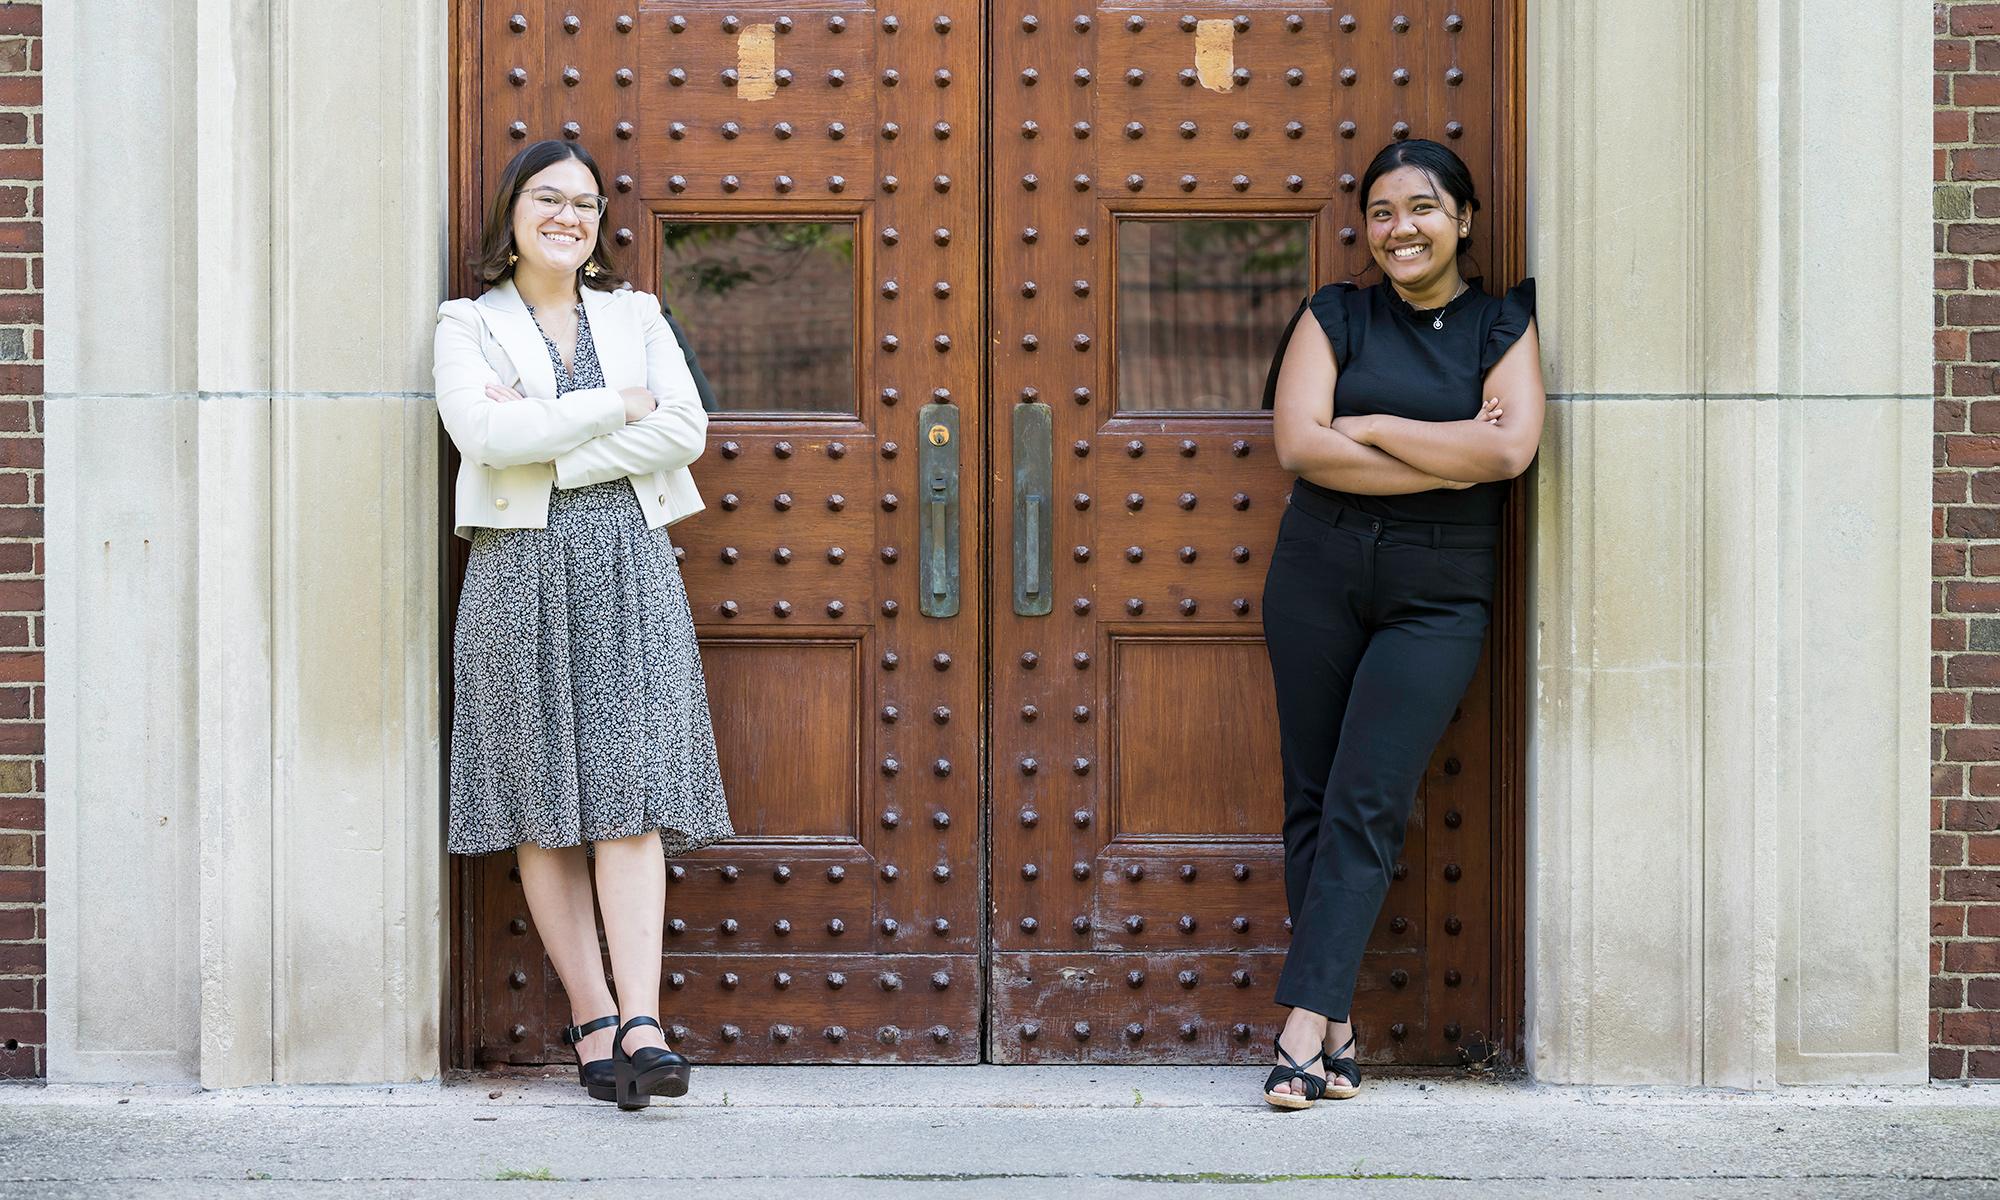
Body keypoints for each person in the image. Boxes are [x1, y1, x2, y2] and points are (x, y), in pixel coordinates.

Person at [434, 139, 732, 1110]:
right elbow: (484, 437)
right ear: (512, 213)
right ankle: (594, 1018)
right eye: (547, 198)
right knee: (541, 803)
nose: (567, 215)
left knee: (630, 793)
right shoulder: (466, 324)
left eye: (585, 203)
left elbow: (682, 430)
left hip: (628, 564)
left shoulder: (634, 313)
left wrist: (555, 446)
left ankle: (643, 1021)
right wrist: (613, 406)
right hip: (516, 571)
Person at [1257, 138, 1544, 1108]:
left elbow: (1508, 454)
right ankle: (1332, 1025)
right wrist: (1447, 449)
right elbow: (1300, 443)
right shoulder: (1331, 314)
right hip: (1317, 570)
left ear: (1461, 220)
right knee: (1311, 797)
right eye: (1380, 212)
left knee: (1364, 801)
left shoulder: (1502, 323)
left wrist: (1370, 427)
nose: (1398, 229)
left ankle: (1298, 1028)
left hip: (1437, 591)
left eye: (1419, 208)